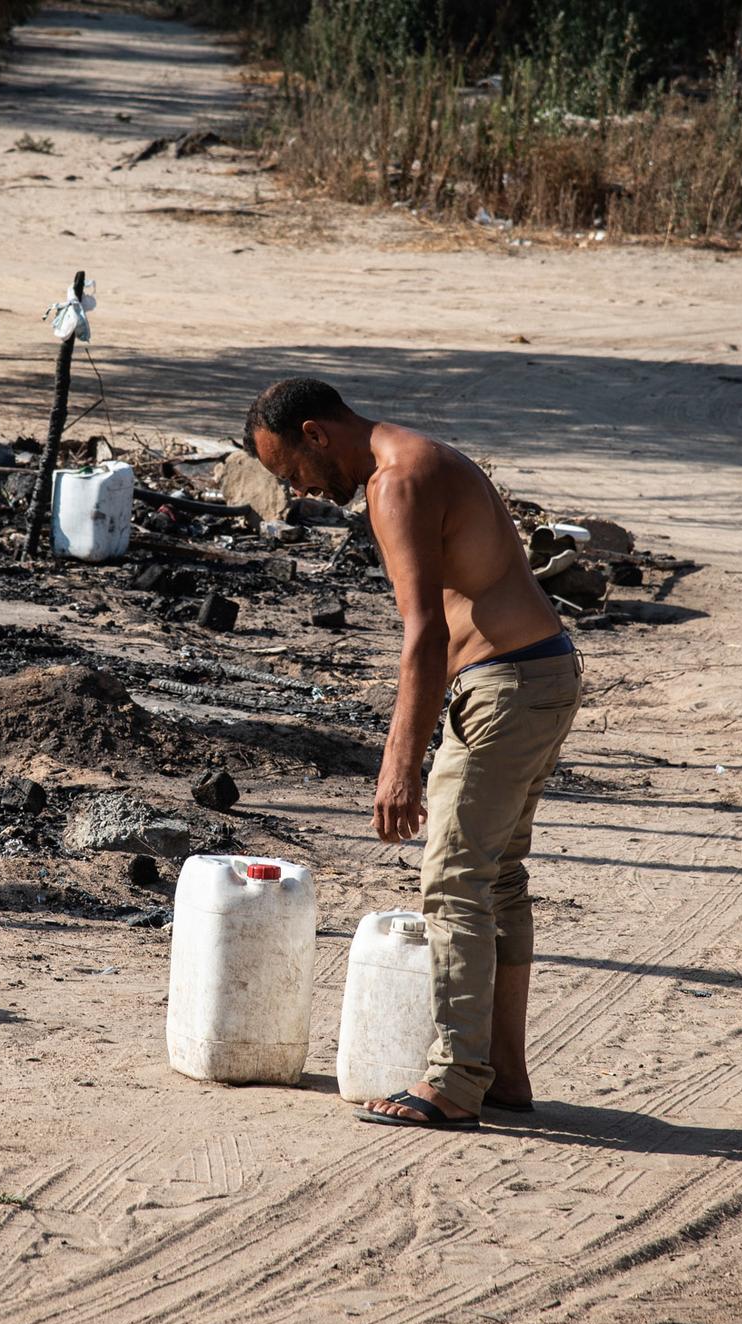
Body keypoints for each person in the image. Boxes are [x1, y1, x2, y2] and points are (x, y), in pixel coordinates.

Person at [241, 377, 582, 1130]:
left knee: (455, 877)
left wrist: (400, 762)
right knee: (498, 880)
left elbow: (424, 634)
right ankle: (505, 1075)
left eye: (289, 469)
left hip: (504, 685)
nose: (296, 488)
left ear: (315, 433)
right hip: (542, 670)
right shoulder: (422, 457)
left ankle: (457, 1082)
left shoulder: (395, 485)